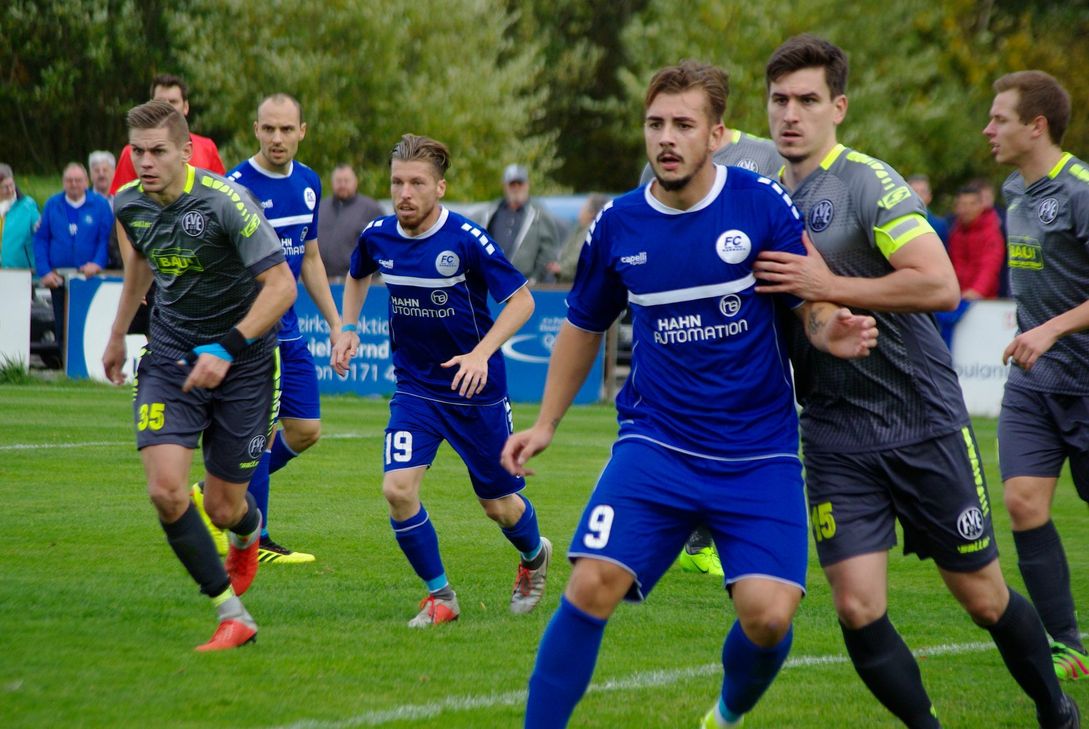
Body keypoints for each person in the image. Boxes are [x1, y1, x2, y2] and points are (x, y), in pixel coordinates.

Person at [502, 60, 879, 729]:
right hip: (656, 445)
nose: (666, 138)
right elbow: (584, 325)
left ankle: (725, 714)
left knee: (766, 617)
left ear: (715, 134)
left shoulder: (758, 204)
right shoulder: (618, 224)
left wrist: (830, 330)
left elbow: (807, 303)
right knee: (589, 583)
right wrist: (546, 423)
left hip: (757, 452)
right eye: (654, 124)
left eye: (683, 124)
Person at [753, 35, 1079, 728]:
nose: (790, 115)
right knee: (855, 604)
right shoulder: (761, 200)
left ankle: (1056, 708)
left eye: (807, 100)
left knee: (983, 598)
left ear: (836, 108)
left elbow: (939, 283)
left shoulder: (866, 181)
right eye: (779, 100)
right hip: (833, 430)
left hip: (920, 419)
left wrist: (827, 283)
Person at [102, 100, 296, 650]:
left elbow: (281, 287)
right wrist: (119, 334)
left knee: (221, 507)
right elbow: (140, 264)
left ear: (185, 151)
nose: (145, 162)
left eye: (158, 151)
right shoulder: (128, 204)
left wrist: (229, 347)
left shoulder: (227, 201)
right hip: (168, 357)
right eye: (137, 152)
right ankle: (231, 614)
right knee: (166, 490)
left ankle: (247, 533)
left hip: (246, 363)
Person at [331, 134, 548, 628]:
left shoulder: (467, 240)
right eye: (397, 183)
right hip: (414, 389)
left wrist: (480, 354)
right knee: (397, 488)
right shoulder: (378, 235)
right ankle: (441, 596)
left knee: (497, 506)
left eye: (416, 183)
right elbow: (358, 273)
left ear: (440, 188)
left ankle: (534, 557)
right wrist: (347, 327)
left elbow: (523, 302)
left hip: (476, 393)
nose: (404, 193)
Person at [984, 70, 1089, 686]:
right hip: (1032, 383)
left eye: (999, 118)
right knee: (1023, 504)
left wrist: (1051, 328)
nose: (988, 128)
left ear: (1036, 126)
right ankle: (1067, 646)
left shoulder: (1080, 190)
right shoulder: (1012, 191)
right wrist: (1038, 337)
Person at [222, 93, 341, 564]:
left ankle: (220, 491)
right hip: (252, 330)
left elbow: (309, 257)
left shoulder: (309, 183)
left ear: (302, 132)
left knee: (306, 428)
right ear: (255, 129)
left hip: (289, 330)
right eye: (268, 129)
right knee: (260, 429)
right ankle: (259, 537)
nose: (277, 138)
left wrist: (336, 323)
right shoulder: (233, 187)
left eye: (286, 129)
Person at [33, 162, 113, 351]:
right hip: (59, 278)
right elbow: (41, 239)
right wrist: (44, 271)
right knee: (61, 322)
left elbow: (106, 239)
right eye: (69, 180)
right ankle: (63, 365)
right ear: (63, 182)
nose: (74, 184)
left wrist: (97, 263)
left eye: (78, 180)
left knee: (89, 322)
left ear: (86, 182)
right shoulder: (53, 204)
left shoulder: (100, 205)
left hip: (89, 277)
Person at [109, 74, 226, 195]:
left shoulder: (207, 148)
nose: (166, 107)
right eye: (160, 102)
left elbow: (221, 195)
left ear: (185, 107)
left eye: (173, 102)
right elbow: (121, 204)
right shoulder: (131, 153)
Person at [485, 164, 561, 284]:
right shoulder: (493, 211)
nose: (516, 188)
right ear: (505, 186)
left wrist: (535, 278)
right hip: (496, 282)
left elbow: (548, 251)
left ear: (527, 185)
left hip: (527, 283)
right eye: (512, 184)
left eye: (520, 183)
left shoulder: (538, 212)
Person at [316, 163, 384, 279]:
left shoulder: (371, 208)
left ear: (355, 182)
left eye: (346, 181)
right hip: (322, 280)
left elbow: (381, 247)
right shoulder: (320, 208)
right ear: (332, 183)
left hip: (354, 281)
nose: (342, 185)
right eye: (338, 181)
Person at [553, 193, 608, 284]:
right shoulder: (582, 230)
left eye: (583, 208)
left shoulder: (590, 232)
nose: (580, 211)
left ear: (591, 213)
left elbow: (577, 258)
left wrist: (560, 269)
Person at [0, 163, 40, 270]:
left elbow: (41, 235)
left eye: (11, 185)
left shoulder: (28, 206)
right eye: (4, 187)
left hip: (23, 271)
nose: (10, 190)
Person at [907, 173, 950, 245]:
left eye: (923, 192)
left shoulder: (939, 225)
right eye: (914, 191)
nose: (918, 196)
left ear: (929, 197)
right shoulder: (894, 221)